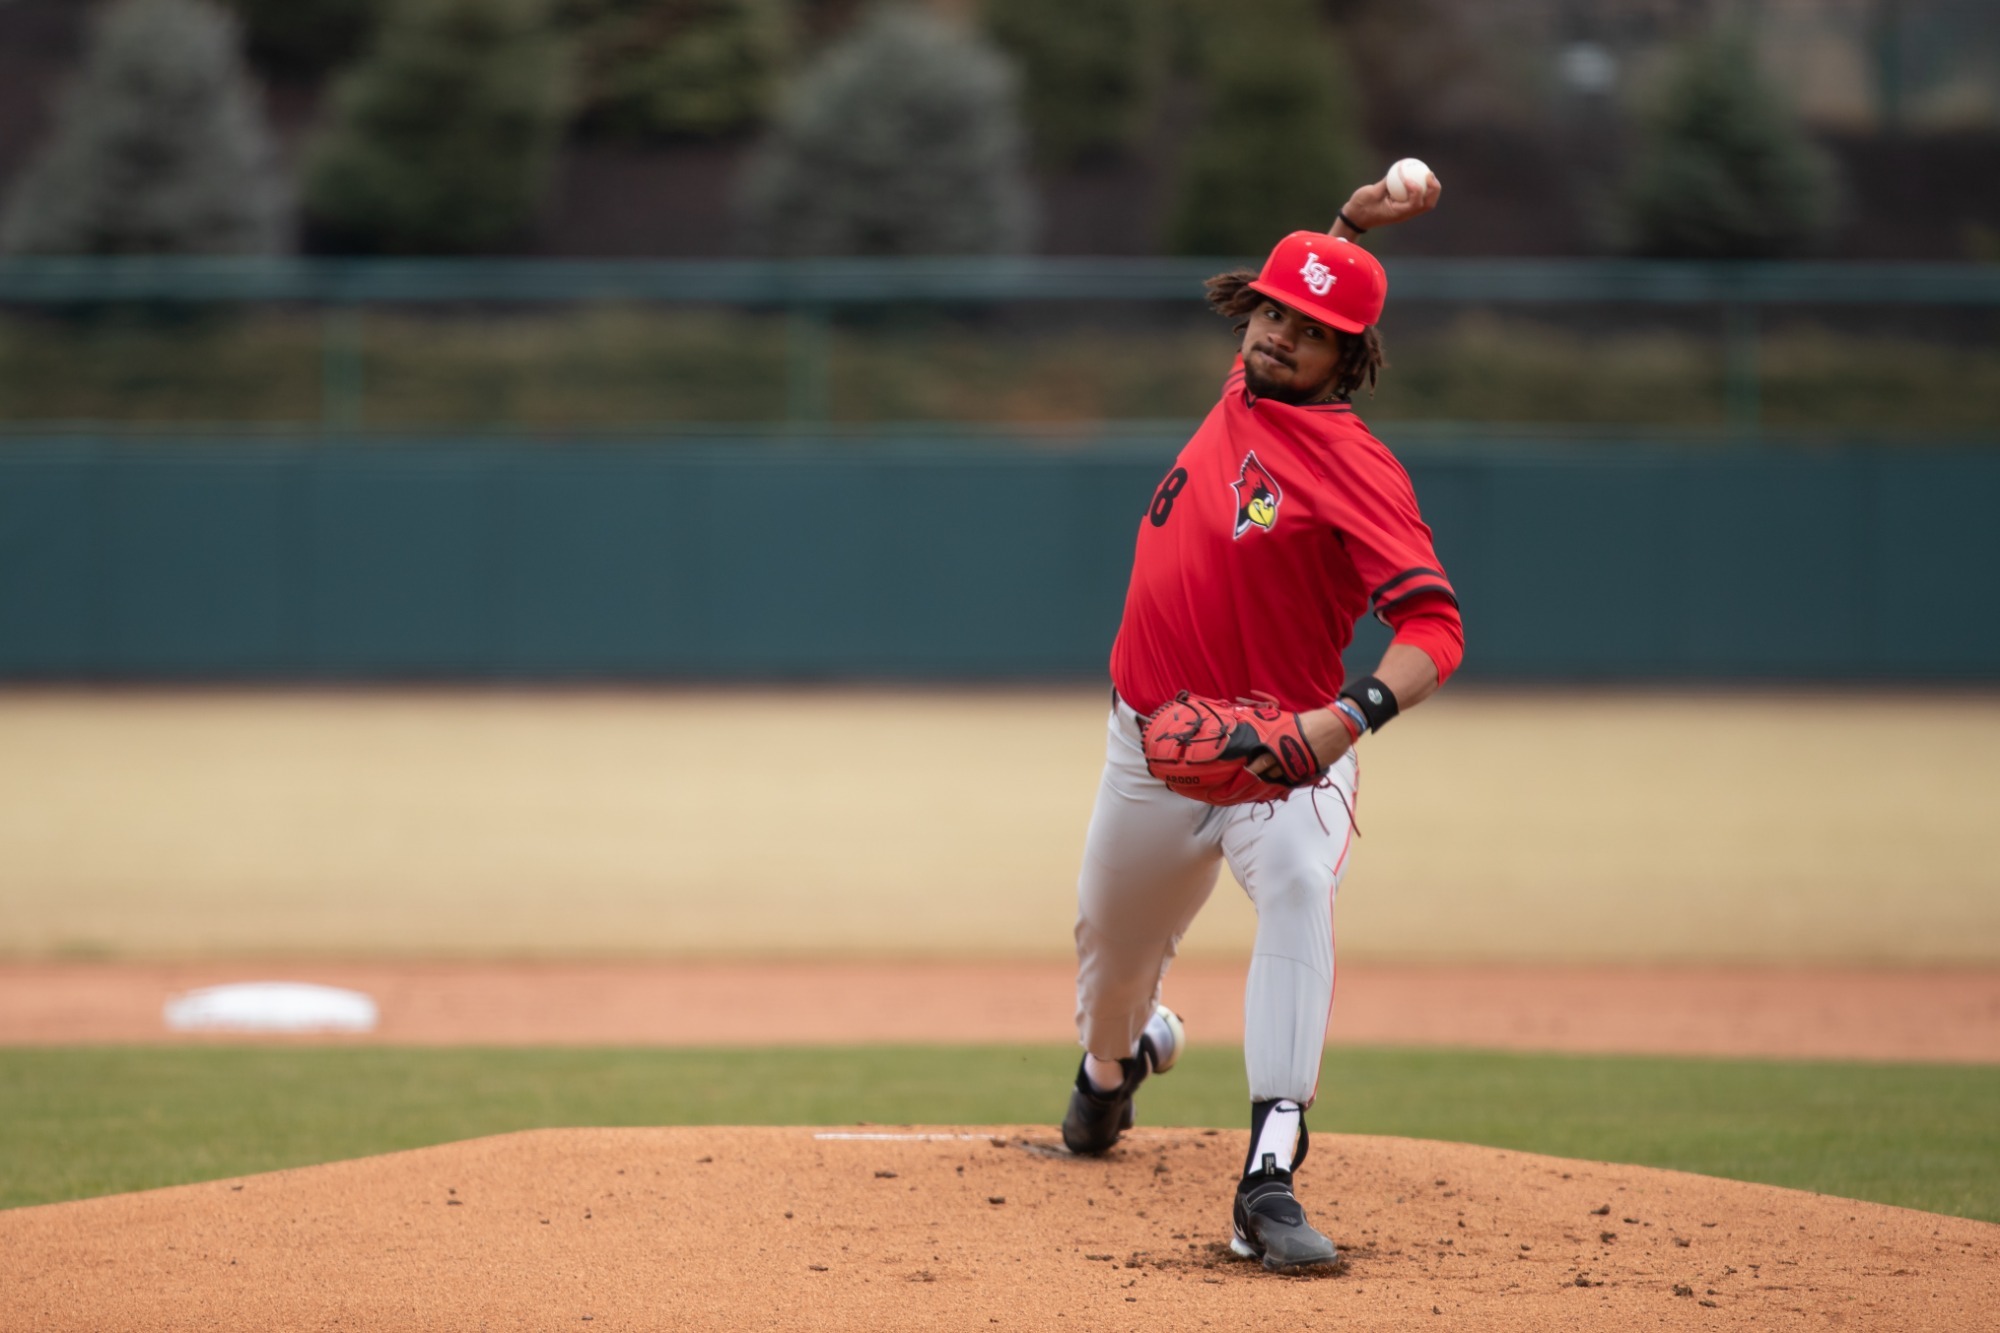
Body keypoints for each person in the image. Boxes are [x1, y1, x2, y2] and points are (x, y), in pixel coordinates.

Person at [1060, 173, 1462, 1273]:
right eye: (1272, 312)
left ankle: (1266, 1177)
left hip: (1282, 756)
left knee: (1296, 888)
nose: (1281, 335)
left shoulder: (1355, 465)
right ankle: (1113, 1070)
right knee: (1109, 963)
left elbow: (1433, 628)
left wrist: (1346, 720)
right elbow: (1313, 281)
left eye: (1311, 329)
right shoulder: (1242, 388)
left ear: (1351, 357)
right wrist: (1346, 224)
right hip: (1148, 749)